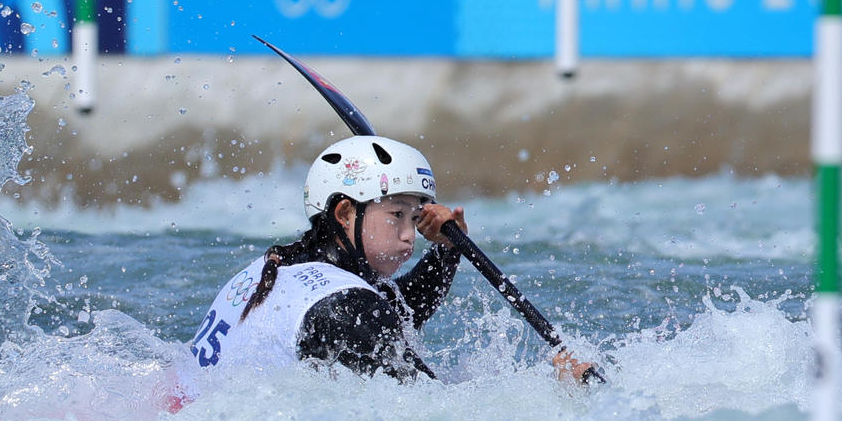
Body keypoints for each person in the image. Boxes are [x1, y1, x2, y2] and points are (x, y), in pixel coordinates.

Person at [189, 135, 592, 384]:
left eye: (415, 217)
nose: (408, 234)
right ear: (345, 214)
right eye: (395, 215)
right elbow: (438, 413)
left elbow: (393, 312)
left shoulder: (277, 266)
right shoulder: (344, 306)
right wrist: (555, 392)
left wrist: (446, 252)